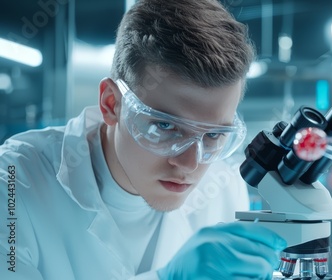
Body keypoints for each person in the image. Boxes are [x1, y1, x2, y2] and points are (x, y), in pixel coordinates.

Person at [0, 0, 287, 279]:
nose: (190, 163)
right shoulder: (14, 181)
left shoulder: (223, 187)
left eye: (213, 135)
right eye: (165, 126)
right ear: (111, 104)